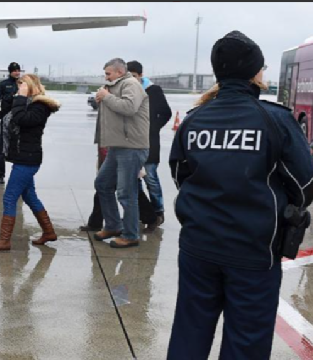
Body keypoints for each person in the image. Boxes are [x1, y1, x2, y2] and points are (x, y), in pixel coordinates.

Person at [167, 31, 313, 359]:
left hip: (198, 247)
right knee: (246, 342)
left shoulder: (194, 120)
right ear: (255, 72)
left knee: (189, 333)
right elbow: (305, 185)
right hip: (253, 251)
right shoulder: (275, 120)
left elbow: (180, 176)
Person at [0, 74, 61, 251]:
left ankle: (4, 241)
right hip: (23, 157)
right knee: (29, 196)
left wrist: (20, 97)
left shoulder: (40, 106)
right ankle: (49, 232)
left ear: (31, 86)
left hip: (28, 159)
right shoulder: (29, 104)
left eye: (22, 85)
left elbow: (22, 120)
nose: (19, 88)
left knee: (9, 197)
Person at [93, 58, 150, 248]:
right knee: (102, 183)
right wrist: (102, 98)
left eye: (108, 73)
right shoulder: (113, 85)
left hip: (131, 147)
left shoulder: (131, 84)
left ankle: (131, 234)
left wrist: (106, 97)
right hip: (116, 146)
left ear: (119, 72)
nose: (106, 77)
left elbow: (129, 108)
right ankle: (113, 225)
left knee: (126, 192)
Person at [126, 60, 172, 232]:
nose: (132, 80)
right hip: (131, 143)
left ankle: (158, 211)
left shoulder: (153, 90)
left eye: (134, 76)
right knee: (134, 181)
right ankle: (143, 213)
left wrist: (153, 128)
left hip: (149, 143)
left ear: (140, 75)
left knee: (150, 178)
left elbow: (166, 112)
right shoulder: (126, 91)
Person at [0, 62, 21, 185]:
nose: (17, 72)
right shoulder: (3, 85)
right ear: (10, 72)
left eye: (18, 70)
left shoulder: (22, 84)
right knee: (2, 148)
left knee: (18, 148)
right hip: (6, 121)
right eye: (14, 70)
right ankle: (0, 175)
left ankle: (17, 173)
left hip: (19, 120)